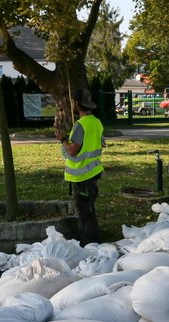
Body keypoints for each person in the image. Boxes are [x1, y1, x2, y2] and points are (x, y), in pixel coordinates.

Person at [56, 88, 105, 245]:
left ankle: (91, 245)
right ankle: (93, 242)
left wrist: (62, 138)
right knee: (89, 209)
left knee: (86, 213)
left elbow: (72, 150)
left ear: (76, 104)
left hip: (82, 177)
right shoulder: (97, 122)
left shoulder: (80, 125)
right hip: (93, 173)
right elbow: (100, 145)